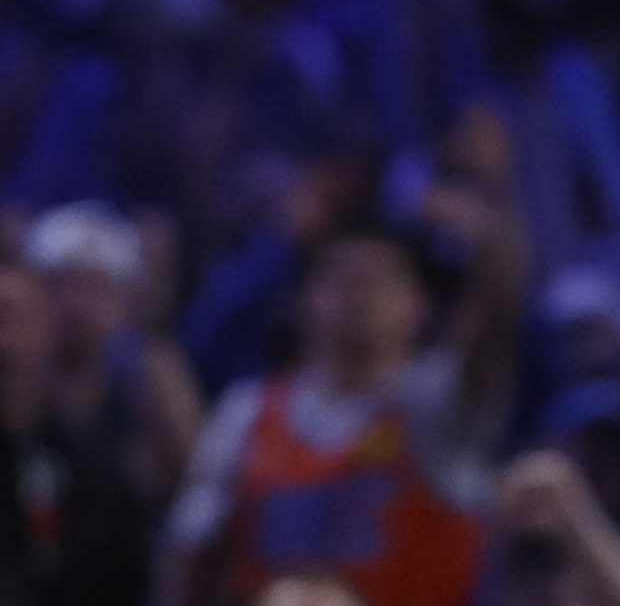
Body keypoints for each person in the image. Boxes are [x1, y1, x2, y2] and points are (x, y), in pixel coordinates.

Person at [156, 211, 524, 606]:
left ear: (419, 305)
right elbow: (187, 546)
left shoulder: (441, 405)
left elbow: (495, 326)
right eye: (340, 276)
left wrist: (492, 235)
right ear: (301, 303)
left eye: (381, 277)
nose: (359, 290)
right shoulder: (246, 411)